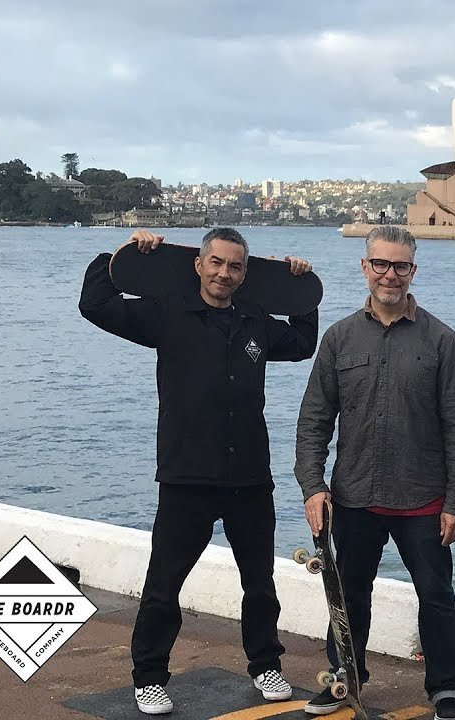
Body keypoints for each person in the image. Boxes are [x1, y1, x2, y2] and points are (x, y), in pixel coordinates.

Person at [79, 228, 317, 715]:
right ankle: (149, 676)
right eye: (216, 263)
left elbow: (300, 343)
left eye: (234, 266)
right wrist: (117, 256)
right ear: (199, 264)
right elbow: (96, 306)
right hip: (186, 475)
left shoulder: (256, 321)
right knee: (164, 584)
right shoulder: (167, 313)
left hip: (250, 475)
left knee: (260, 582)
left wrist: (297, 291)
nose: (224, 273)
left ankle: (266, 663)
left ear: (244, 273)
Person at [294, 226, 455, 720]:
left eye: (400, 266)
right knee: (348, 596)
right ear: (364, 267)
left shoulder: (443, 341)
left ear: (413, 271)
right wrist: (314, 486)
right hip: (353, 496)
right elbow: (314, 420)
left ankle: (446, 687)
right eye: (380, 264)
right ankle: (344, 679)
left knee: (436, 597)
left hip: (423, 500)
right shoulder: (338, 339)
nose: (389, 275)